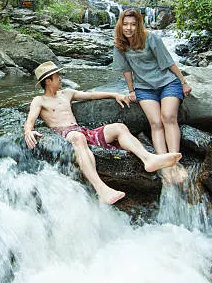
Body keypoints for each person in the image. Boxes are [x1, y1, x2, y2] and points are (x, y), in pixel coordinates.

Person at [23, 61, 182, 205]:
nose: (60, 79)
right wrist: (28, 131)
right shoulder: (39, 100)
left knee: (119, 127)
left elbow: (91, 95)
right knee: (78, 138)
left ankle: (148, 159)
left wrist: (114, 94)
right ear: (48, 81)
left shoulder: (67, 93)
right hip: (64, 134)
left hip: (81, 130)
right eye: (57, 76)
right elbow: (31, 119)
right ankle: (101, 189)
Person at [113, 9, 192, 183]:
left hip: (167, 83)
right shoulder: (120, 45)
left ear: (139, 25)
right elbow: (126, 70)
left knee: (168, 117)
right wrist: (131, 90)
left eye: (133, 24)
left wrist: (183, 82)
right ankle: (163, 163)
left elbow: (168, 61)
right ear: (120, 24)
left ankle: (174, 161)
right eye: (126, 24)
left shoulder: (151, 39)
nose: (129, 28)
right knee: (155, 123)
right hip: (144, 88)